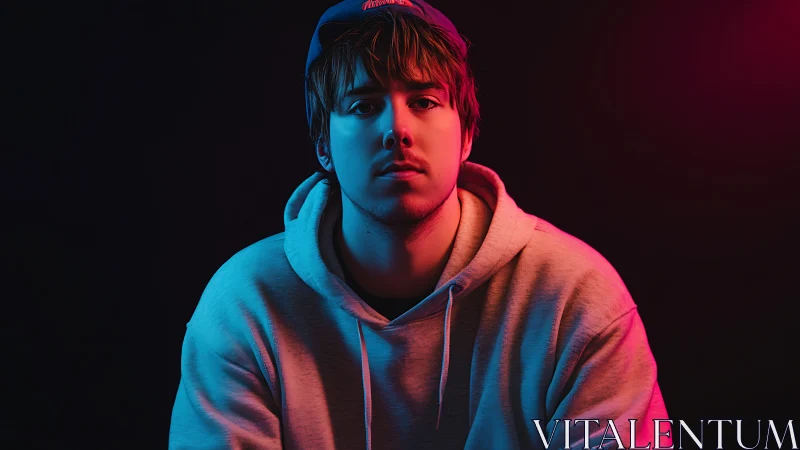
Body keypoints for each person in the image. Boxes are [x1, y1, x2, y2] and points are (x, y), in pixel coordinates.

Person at [169, 1, 671, 449]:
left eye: (425, 101)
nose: (397, 130)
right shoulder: (243, 307)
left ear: (467, 132)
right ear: (323, 143)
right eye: (364, 105)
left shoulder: (574, 298)